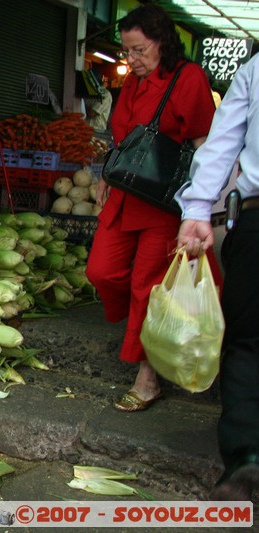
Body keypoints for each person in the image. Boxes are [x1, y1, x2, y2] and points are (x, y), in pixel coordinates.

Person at [85, 4, 218, 412]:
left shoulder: (188, 77)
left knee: (149, 285)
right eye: (127, 51)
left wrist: (202, 204)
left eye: (139, 50)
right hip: (125, 195)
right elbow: (123, 140)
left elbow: (204, 143)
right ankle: (148, 335)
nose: (132, 60)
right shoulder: (132, 82)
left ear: (162, 42)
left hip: (164, 202)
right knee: (101, 271)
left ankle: (148, 377)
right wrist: (105, 174)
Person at [176, 53, 259, 501]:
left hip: (257, 219)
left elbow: (222, 142)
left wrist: (196, 208)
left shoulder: (255, 69)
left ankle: (248, 458)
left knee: (249, 344)